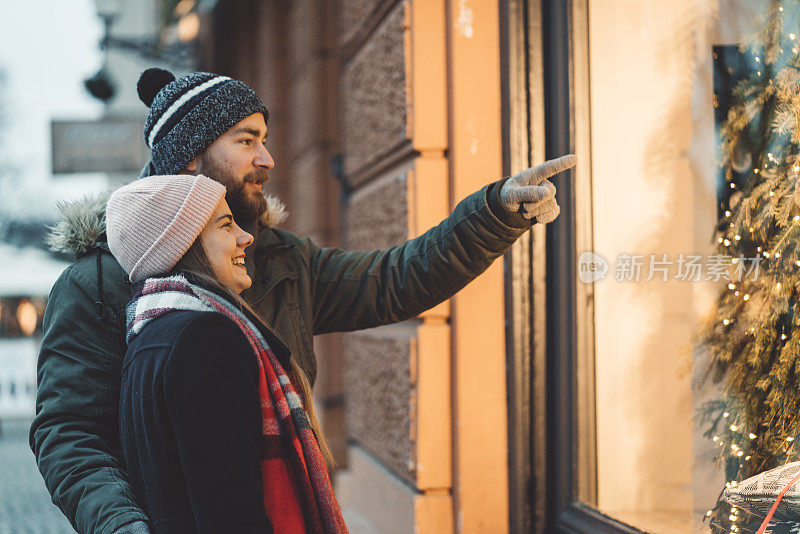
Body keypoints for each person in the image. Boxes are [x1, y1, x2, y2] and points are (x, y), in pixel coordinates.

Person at [30, 68, 576, 534]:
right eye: (246, 140)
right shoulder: (98, 283)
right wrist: (125, 527)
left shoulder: (280, 259)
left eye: (264, 139)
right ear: (191, 157)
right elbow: (69, 433)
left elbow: (395, 279)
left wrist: (494, 214)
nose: (267, 158)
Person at [106, 174, 346, 533]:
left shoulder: (146, 338)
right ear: (182, 245)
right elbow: (232, 514)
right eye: (225, 225)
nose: (245, 236)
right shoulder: (205, 340)